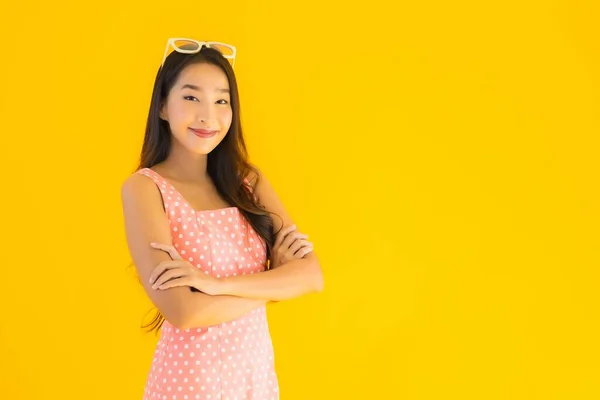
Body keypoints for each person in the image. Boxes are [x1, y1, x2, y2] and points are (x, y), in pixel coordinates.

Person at [120, 38, 324, 400]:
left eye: (221, 100)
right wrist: (272, 282)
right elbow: (183, 311)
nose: (207, 116)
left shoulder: (249, 182)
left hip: (253, 379)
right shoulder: (145, 189)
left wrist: (211, 285)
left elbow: (311, 276)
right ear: (163, 107)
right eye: (191, 97)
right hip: (189, 383)